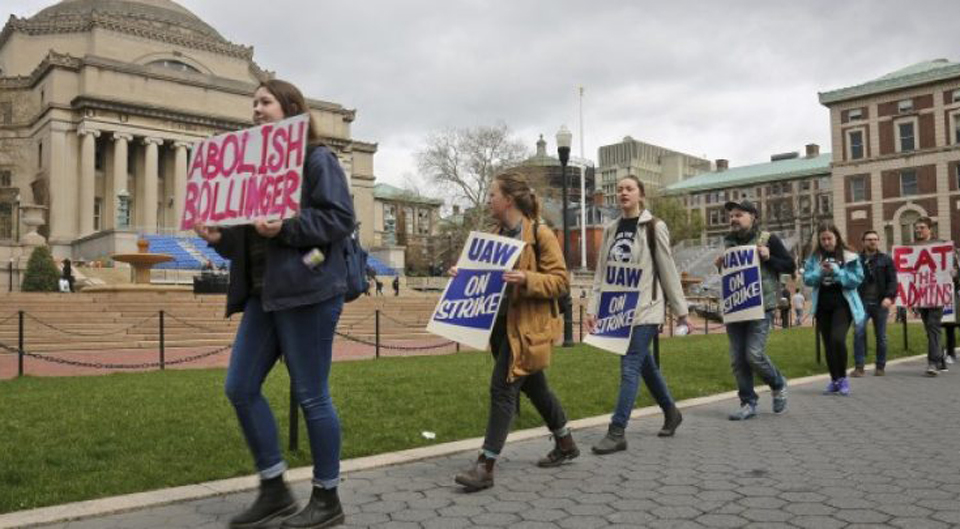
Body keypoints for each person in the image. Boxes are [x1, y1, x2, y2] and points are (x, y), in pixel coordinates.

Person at [193, 79, 355, 529]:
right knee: (240, 387)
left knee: (311, 395)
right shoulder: (251, 171)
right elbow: (247, 244)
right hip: (264, 296)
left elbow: (340, 218)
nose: (256, 110)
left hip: (309, 293)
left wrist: (284, 225)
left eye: (264, 102)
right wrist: (220, 238)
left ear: (290, 108)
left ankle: (327, 498)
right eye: (253, 104)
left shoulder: (316, 159)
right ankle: (274, 488)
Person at [453, 171, 576, 491]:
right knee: (535, 387)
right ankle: (566, 443)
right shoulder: (492, 236)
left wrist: (527, 278)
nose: (488, 200)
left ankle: (485, 465)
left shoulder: (540, 234)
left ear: (508, 199)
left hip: (526, 328)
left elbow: (561, 281)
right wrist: (462, 275)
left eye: (492, 194)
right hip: (499, 327)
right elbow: (484, 279)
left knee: (503, 389)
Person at [585, 175, 688, 454]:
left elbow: (667, 269)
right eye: (619, 189)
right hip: (617, 309)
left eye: (629, 189)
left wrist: (681, 312)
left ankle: (617, 431)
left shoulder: (655, 227)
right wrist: (593, 307)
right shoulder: (610, 229)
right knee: (645, 366)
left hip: (645, 309)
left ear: (640, 194)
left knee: (629, 365)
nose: (623, 193)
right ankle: (671, 412)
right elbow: (601, 273)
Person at [714, 200, 793, 420]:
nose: (733, 219)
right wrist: (721, 264)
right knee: (738, 359)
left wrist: (770, 257)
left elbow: (789, 266)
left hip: (761, 306)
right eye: (731, 216)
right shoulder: (728, 243)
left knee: (754, 355)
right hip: (736, 306)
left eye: (739, 215)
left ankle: (778, 383)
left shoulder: (769, 239)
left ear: (753, 217)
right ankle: (748, 402)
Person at [804, 223, 864, 395]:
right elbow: (807, 279)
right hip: (823, 305)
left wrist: (838, 273)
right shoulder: (814, 258)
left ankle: (843, 378)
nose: (826, 242)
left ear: (837, 237)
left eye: (829, 238)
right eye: (823, 239)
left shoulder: (849, 256)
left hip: (843, 305)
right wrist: (819, 273)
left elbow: (857, 279)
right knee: (828, 344)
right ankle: (834, 380)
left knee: (837, 339)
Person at [912, 217, 955, 376]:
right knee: (930, 329)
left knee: (932, 326)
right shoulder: (912, 248)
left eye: (922, 227)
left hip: (937, 294)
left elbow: (954, 268)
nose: (918, 230)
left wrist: (954, 273)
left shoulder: (941, 245)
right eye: (917, 228)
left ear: (930, 229)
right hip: (920, 295)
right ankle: (941, 358)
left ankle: (933, 363)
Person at [852, 230, 896, 377]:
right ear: (863, 242)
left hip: (880, 302)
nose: (873, 242)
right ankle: (859, 367)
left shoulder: (886, 259)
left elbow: (893, 281)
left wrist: (889, 297)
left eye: (875, 239)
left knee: (881, 336)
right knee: (858, 332)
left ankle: (880, 366)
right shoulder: (856, 260)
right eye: (869, 239)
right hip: (861, 302)